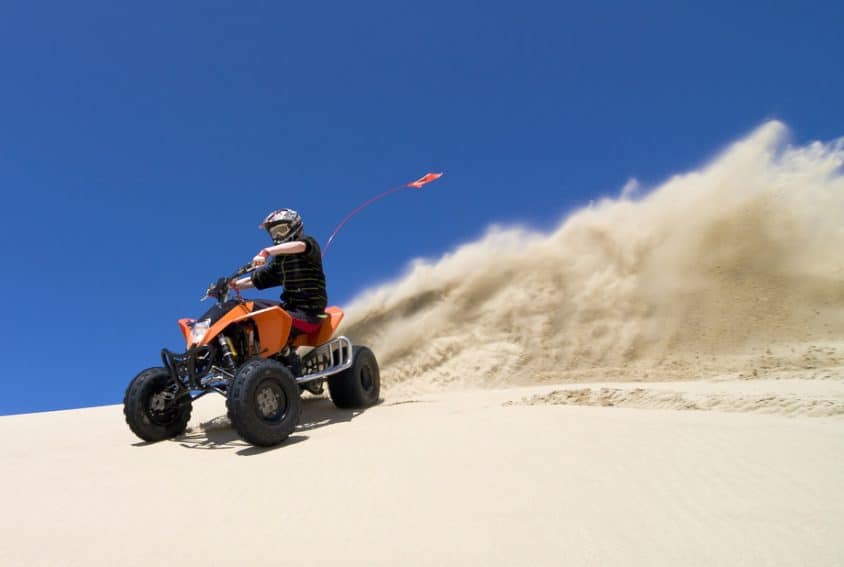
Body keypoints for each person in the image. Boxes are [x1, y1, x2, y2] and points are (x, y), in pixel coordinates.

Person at [230, 208, 328, 338]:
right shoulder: (280, 261)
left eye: (282, 230)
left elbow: (300, 245)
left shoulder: (308, 244)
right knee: (245, 307)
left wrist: (266, 252)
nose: (278, 236)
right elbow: (255, 280)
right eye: (274, 233)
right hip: (289, 310)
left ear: (295, 227)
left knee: (257, 310)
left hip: (309, 315)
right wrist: (231, 285)